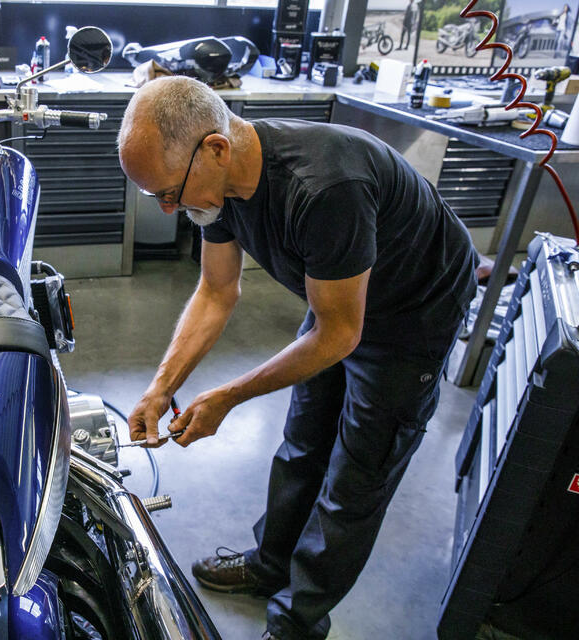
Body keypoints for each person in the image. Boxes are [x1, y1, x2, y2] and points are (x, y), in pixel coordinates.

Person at [117, 76, 477, 640]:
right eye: (154, 196)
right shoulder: (219, 187)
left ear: (215, 148)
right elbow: (216, 291)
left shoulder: (325, 188)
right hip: (338, 301)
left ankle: (297, 623)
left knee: (356, 478)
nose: (168, 209)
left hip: (413, 313)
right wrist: (161, 387)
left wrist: (229, 396)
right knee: (303, 441)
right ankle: (269, 565)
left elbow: (340, 334)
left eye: (169, 192)